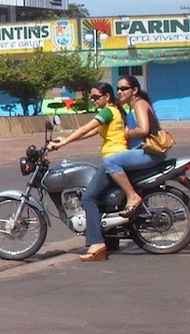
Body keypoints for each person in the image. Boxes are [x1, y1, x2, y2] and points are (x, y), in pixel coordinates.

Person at [48, 82, 132, 262]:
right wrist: (66, 139)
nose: (93, 100)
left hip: (113, 159)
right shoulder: (115, 112)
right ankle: (110, 240)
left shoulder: (108, 111)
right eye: (91, 97)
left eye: (96, 97)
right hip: (118, 159)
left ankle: (97, 243)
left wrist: (63, 143)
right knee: (98, 196)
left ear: (107, 97)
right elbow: (91, 131)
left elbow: (86, 127)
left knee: (88, 197)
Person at [112, 75, 167, 214]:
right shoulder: (131, 106)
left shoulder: (139, 104)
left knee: (110, 162)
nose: (119, 92)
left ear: (135, 90)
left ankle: (132, 197)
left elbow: (143, 129)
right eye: (118, 89)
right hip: (143, 151)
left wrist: (127, 133)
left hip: (150, 152)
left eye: (124, 88)